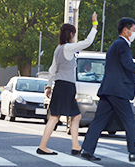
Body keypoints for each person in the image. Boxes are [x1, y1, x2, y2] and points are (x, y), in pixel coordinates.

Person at [80, 17, 135, 162]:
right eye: (133, 30)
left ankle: (87, 149)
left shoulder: (115, 45)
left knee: (98, 121)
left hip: (109, 89)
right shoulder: (122, 45)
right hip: (118, 90)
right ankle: (133, 152)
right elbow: (128, 63)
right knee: (129, 119)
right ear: (125, 30)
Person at [36, 12, 98, 155]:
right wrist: (94, 25)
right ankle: (45, 146)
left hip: (60, 85)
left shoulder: (58, 49)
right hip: (66, 86)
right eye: (74, 34)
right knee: (62, 117)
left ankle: (74, 146)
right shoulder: (68, 48)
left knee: (67, 116)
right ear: (70, 35)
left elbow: (53, 69)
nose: (74, 37)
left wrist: (49, 86)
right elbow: (88, 42)